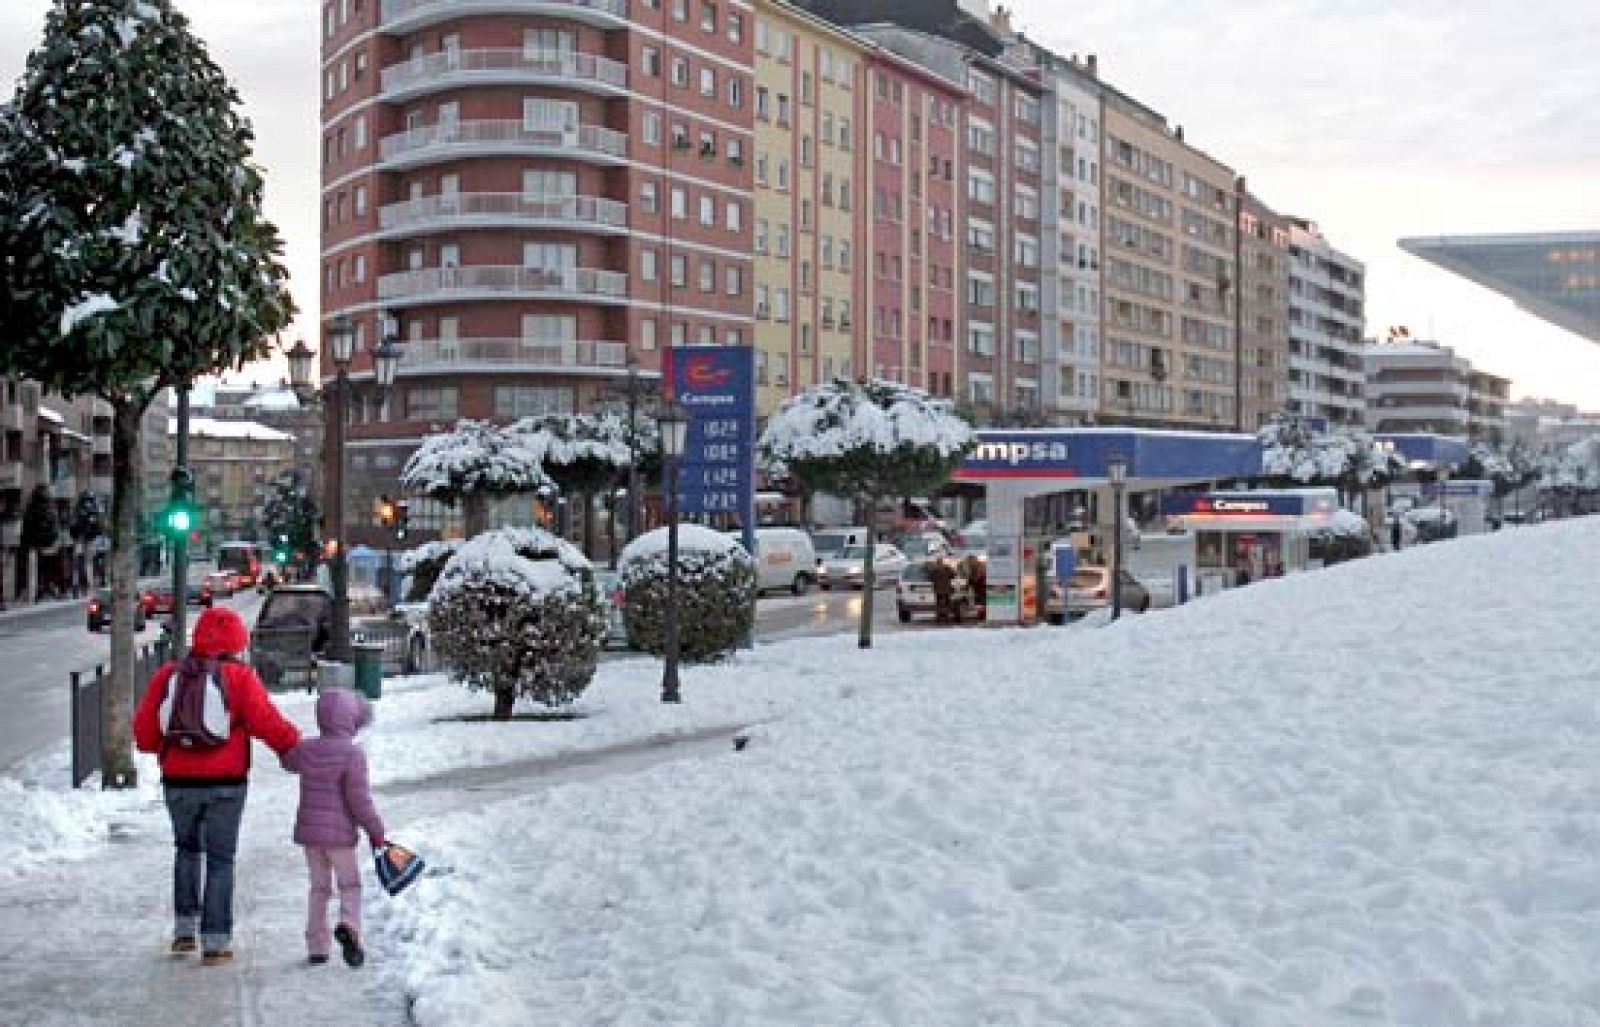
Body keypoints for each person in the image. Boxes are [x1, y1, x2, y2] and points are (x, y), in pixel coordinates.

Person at [132, 606, 302, 966]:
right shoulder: (240, 678)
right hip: (226, 783)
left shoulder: (168, 675)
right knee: (221, 859)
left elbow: (145, 735)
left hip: (177, 781)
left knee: (187, 850)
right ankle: (216, 941)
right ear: (237, 641)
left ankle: (183, 932)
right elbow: (266, 722)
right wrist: (293, 748)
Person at [281, 688, 387, 968]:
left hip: (310, 836)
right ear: (352, 719)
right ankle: (349, 926)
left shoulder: (306, 749)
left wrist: (292, 740)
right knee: (349, 884)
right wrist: (375, 829)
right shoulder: (353, 755)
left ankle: (317, 946)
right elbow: (359, 800)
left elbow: (287, 760)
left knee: (319, 888)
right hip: (340, 838)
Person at [925, 558, 956, 622]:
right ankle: (946, 616)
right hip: (947, 589)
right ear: (942, 562)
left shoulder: (934, 571)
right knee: (947, 603)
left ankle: (939, 617)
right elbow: (953, 575)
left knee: (939, 603)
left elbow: (930, 578)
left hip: (938, 590)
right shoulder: (947, 569)